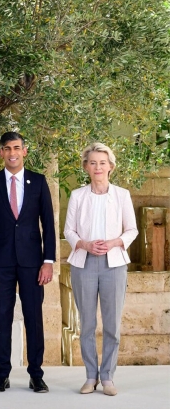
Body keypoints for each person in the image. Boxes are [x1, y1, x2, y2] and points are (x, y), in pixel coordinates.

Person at [0, 131, 55, 393]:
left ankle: (36, 374)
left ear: (25, 151)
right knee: (2, 318)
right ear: (1, 152)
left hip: (33, 264)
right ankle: (2, 374)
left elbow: (49, 225)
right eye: (7, 148)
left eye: (17, 148)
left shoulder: (39, 181)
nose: (12, 153)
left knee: (34, 318)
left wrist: (48, 261)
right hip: (0, 264)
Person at [64, 143, 137, 396]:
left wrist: (115, 242)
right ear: (86, 167)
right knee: (86, 323)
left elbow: (132, 230)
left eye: (102, 163)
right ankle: (90, 376)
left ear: (111, 167)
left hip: (114, 265)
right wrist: (83, 244)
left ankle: (107, 377)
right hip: (83, 264)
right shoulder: (77, 195)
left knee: (111, 324)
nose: (98, 167)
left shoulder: (122, 195)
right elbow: (69, 230)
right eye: (92, 163)